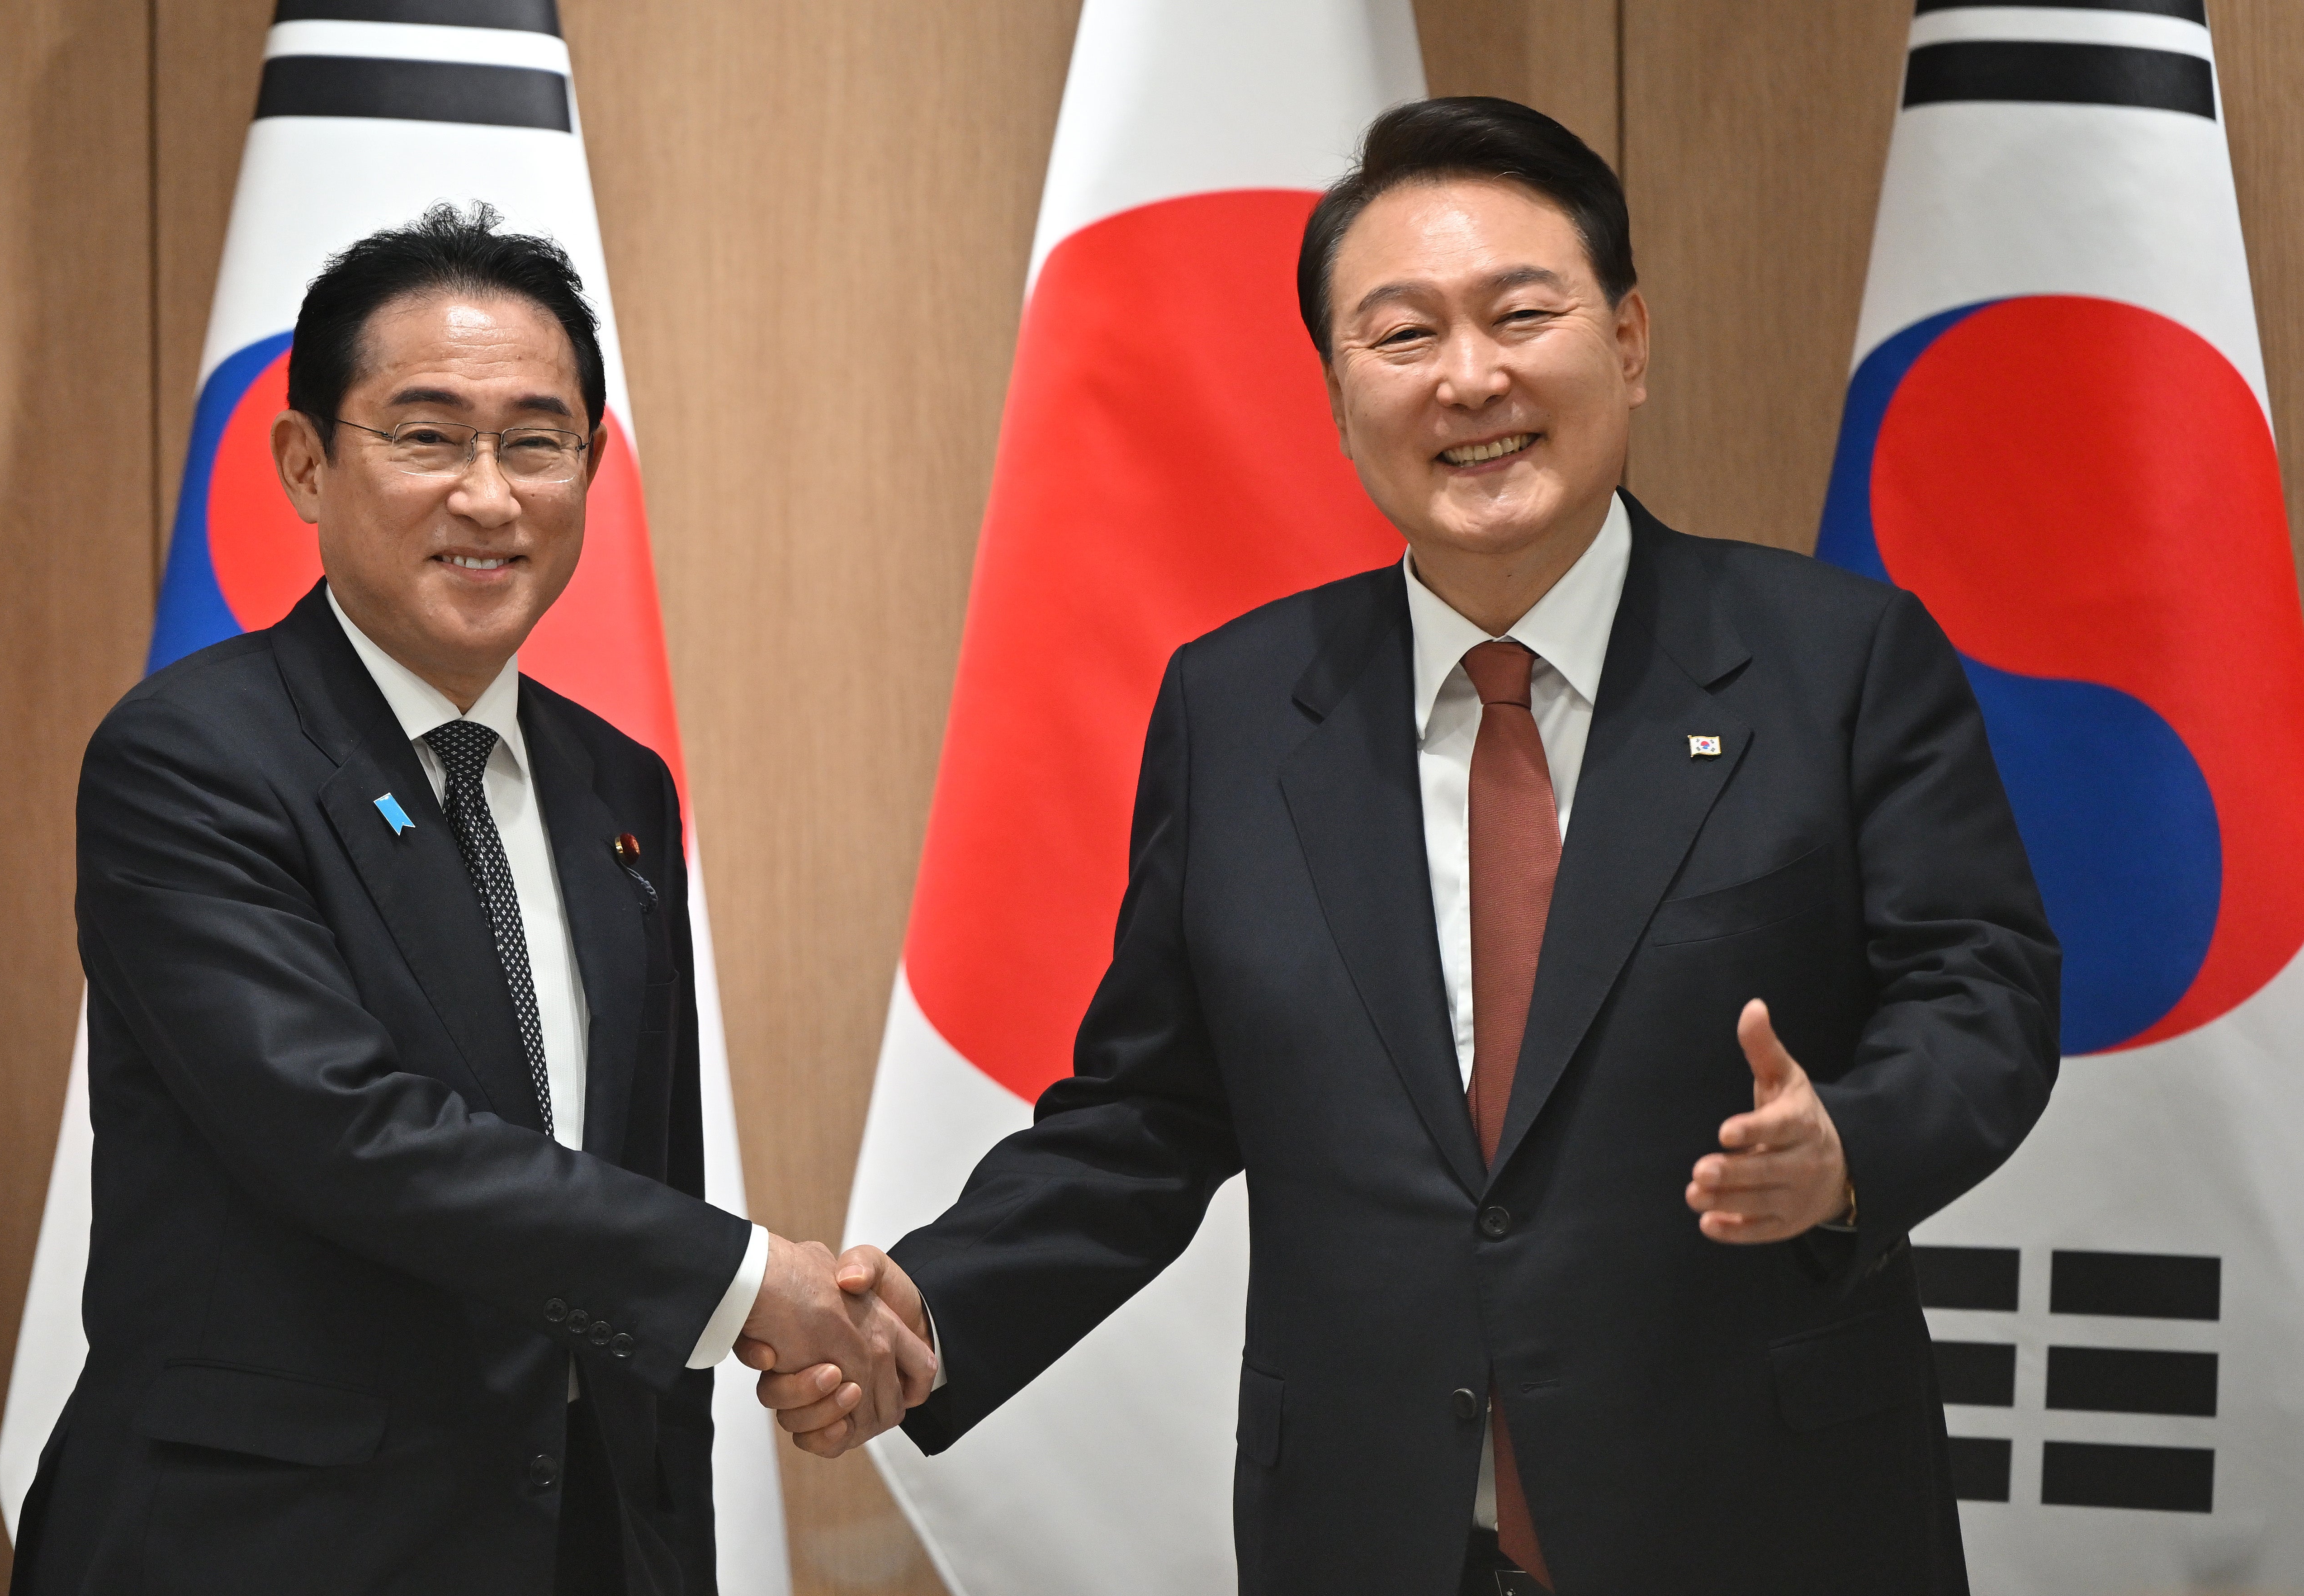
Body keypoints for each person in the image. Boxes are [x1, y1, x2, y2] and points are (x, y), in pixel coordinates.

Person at [754, 99, 2060, 1594]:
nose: (1470, 378)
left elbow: (1985, 991)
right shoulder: (1238, 705)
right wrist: (929, 1303)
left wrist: (1846, 1151)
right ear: (1333, 389)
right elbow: (1151, 1111)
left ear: (1626, 340)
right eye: (1401, 336)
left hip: (1761, 1512)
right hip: (1371, 1533)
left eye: (1520, 313)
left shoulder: (1832, 659)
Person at [10, 204, 930, 1596]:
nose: (489, 495)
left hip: (570, 1541)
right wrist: (753, 1283)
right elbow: (349, 1132)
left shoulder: (617, 785)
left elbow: (640, 1168)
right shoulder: (189, 756)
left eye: (536, 441)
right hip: (263, 1548)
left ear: (590, 466)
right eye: (426, 436)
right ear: (306, 462)